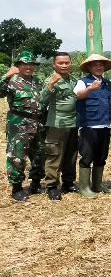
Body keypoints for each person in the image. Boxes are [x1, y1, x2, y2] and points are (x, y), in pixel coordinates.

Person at [0, 51, 45, 201]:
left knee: (39, 154)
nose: (28, 67)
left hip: (38, 123)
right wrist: (6, 76)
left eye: (31, 64)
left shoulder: (38, 82)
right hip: (19, 124)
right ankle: (17, 188)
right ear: (18, 65)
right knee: (17, 156)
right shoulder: (11, 81)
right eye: (25, 64)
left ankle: (36, 184)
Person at [74, 54, 111, 198]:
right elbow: (79, 95)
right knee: (87, 156)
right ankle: (84, 187)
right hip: (89, 125)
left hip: (104, 125)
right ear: (89, 67)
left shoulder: (107, 83)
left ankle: (97, 184)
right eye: (95, 65)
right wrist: (90, 89)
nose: (98, 67)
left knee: (101, 156)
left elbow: (108, 103)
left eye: (101, 65)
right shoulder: (83, 82)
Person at [41, 52, 79, 200]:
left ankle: (68, 183)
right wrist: (51, 84)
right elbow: (42, 100)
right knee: (54, 155)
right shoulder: (50, 80)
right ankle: (51, 186)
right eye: (60, 63)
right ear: (54, 65)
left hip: (73, 123)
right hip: (57, 124)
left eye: (67, 63)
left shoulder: (73, 80)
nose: (64, 65)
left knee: (71, 155)